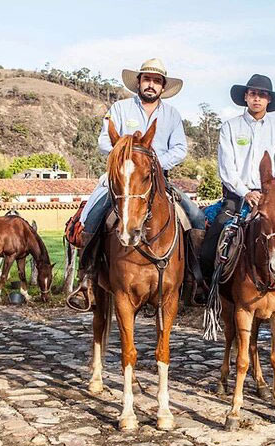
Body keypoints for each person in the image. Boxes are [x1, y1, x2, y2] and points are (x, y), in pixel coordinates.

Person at [66, 58, 203, 311]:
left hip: (156, 177)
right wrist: (129, 157)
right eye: (147, 79)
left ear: (163, 87)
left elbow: (181, 149)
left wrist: (150, 162)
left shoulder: (172, 115)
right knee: (92, 215)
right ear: (138, 82)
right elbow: (103, 142)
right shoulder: (119, 109)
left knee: (195, 217)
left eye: (157, 81)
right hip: (120, 178)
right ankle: (87, 278)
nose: (151, 85)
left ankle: (193, 279)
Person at [200, 74, 275, 279]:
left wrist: (269, 194)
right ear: (245, 97)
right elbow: (227, 168)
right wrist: (246, 193)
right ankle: (209, 289)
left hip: (271, 199)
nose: (257, 99)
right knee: (211, 242)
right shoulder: (230, 127)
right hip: (237, 197)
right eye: (253, 94)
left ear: (269, 99)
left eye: (262, 95)